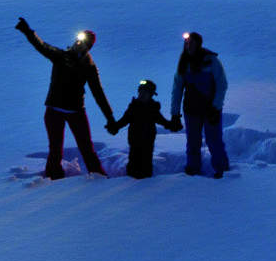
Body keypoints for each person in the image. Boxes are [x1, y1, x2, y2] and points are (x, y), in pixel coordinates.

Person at [15, 17, 118, 179]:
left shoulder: (89, 67)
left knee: (87, 148)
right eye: (78, 40)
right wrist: (28, 32)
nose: (78, 44)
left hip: (76, 111)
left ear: (87, 47)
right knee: (55, 149)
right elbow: (41, 46)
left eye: (83, 43)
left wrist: (110, 118)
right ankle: (54, 179)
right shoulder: (60, 56)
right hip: (53, 110)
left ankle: (99, 178)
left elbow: (98, 93)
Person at [169, 31, 229, 178]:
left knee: (214, 142)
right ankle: (192, 171)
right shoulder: (183, 64)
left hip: (211, 111)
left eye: (191, 43)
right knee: (193, 143)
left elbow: (222, 85)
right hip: (191, 111)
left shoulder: (211, 61)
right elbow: (177, 90)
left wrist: (216, 108)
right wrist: (175, 114)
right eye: (186, 44)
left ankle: (222, 171)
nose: (188, 46)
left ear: (198, 44)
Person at [112, 79, 174, 179]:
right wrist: (115, 127)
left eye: (144, 92)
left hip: (148, 142)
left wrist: (171, 125)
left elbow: (162, 120)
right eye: (140, 92)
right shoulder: (133, 107)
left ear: (151, 95)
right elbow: (124, 120)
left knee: (146, 162)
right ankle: (131, 180)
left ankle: (146, 183)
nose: (141, 94)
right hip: (135, 141)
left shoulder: (153, 109)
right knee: (133, 161)